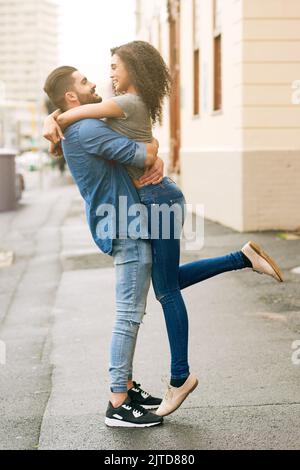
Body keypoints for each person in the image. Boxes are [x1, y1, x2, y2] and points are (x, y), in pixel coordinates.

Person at [44, 42, 284, 419]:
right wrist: (56, 117)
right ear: (73, 95)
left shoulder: (100, 116)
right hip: (145, 207)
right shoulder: (98, 119)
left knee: (165, 291)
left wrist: (58, 118)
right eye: (91, 77)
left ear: (132, 71)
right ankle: (242, 258)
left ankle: (176, 378)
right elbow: (142, 149)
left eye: (112, 68)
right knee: (165, 284)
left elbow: (145, 151)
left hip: (154, 203)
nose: (103, 78)